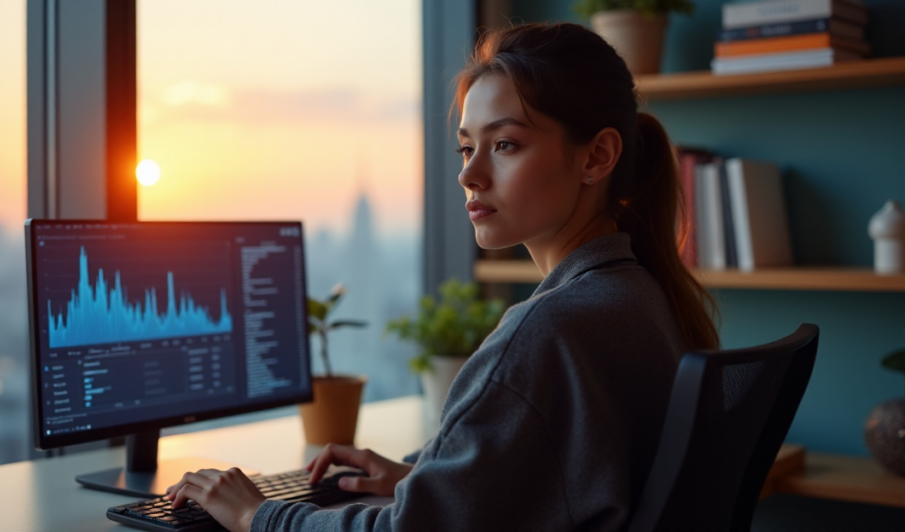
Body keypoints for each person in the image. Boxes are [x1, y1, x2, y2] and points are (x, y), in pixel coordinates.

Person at [164, 22, 719, 532]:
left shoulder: (549, 330)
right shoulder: (637, 296)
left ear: (596, 157)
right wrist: (427, 478)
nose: (469, 174)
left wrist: (256, 513)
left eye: (505, 144)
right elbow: (579, 476)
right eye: (466, 147)